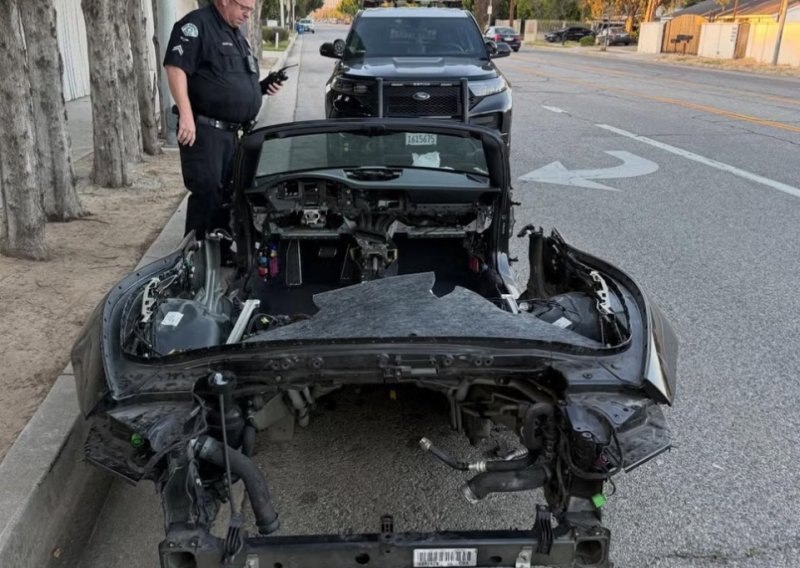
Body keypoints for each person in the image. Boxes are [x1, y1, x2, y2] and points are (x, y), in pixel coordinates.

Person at [163, 0, 284, 242]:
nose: (247, 15)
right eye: (244, 8)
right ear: (225, 1)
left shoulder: (236, 34)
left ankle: (221, 250)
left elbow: (227, 82)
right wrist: (186, 115)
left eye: (250, 10)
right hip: (205, 130)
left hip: (233, 134)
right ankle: (195, 258)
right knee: (208, 192)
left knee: (229, 194)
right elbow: (175, 68)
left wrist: (260, 88)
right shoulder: (196, 25)